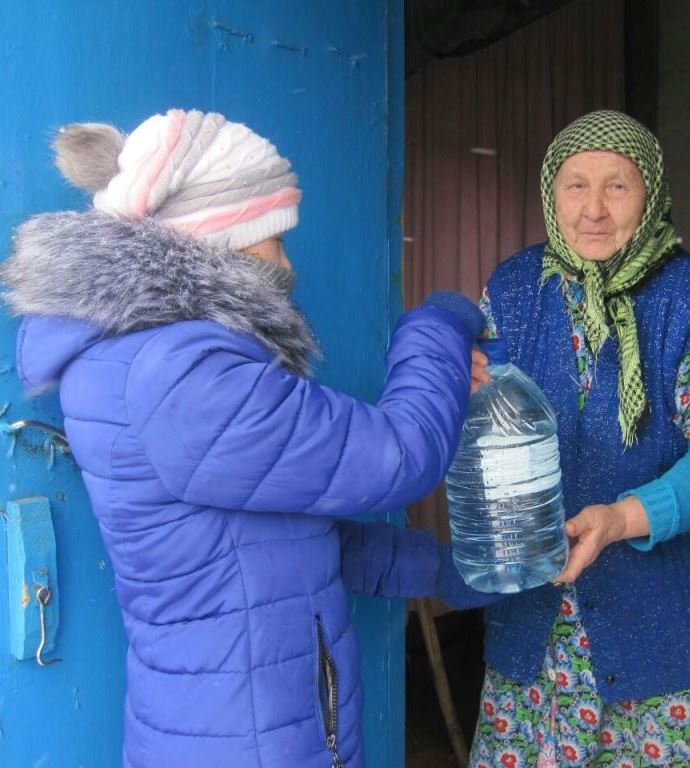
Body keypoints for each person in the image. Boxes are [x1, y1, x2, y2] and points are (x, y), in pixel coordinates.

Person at [1, 109, 490, 768]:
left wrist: (448, 571)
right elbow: (403, 454)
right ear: (217, 239)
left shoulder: (149, 358)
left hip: (238, 726)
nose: (286, 262)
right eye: (273, 238)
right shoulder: (183, 374)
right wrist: (440, 325)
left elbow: (279, 546)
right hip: (248, 744)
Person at [340, 110, 690, 768]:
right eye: (575, 186)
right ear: (550, 193)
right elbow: (484, 420)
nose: (593, 209)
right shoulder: (513, 288)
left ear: (650, 193)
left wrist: (622, 518)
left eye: (617, 187)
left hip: (667, 645)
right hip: (535, 634)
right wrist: (455, 363)